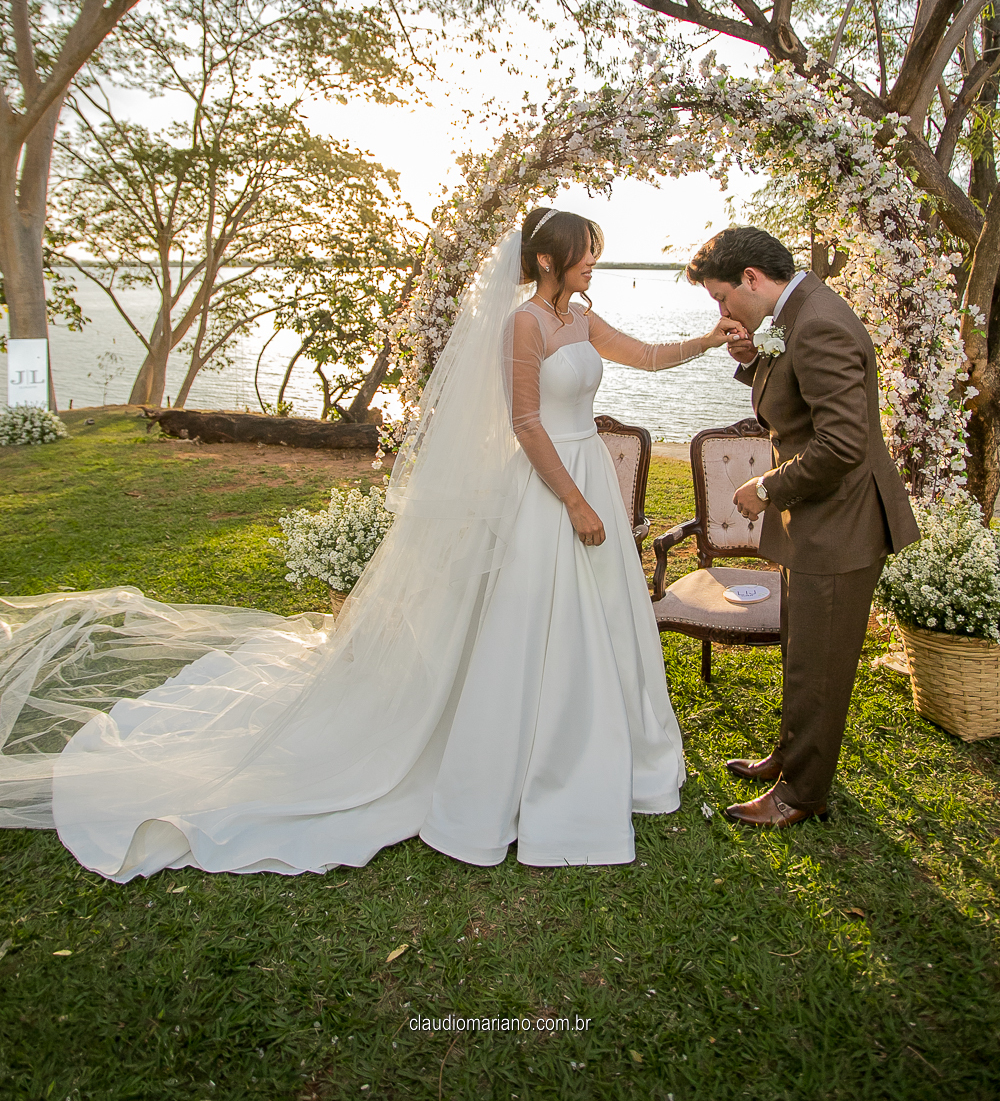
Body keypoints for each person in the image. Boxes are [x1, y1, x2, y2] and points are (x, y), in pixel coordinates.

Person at [0, 209, 741, 879]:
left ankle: (601, 746)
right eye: (585, 253)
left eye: (596, 253)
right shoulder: (524, 326)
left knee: (598, 617)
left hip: (586, 469)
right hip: (551, 486)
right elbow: (523, 423)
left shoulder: (580, 317)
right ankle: (516, 762)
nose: (593, 263)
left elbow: (646, 356)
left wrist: (708, 341)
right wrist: (575, 500)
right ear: (548, 259)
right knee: (528, 623)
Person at [686, 226, 920, 830]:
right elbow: (798, 396)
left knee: (819, 667)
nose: (722, 313)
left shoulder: (816, 323)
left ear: (751, 279)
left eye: (722, 298)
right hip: (819, 521)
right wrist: (752, 361)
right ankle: (790, 758)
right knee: (803, 653)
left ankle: (802, 792)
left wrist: (766, 489)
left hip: (841, 525)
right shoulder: (800, 313)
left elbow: (841, 443)